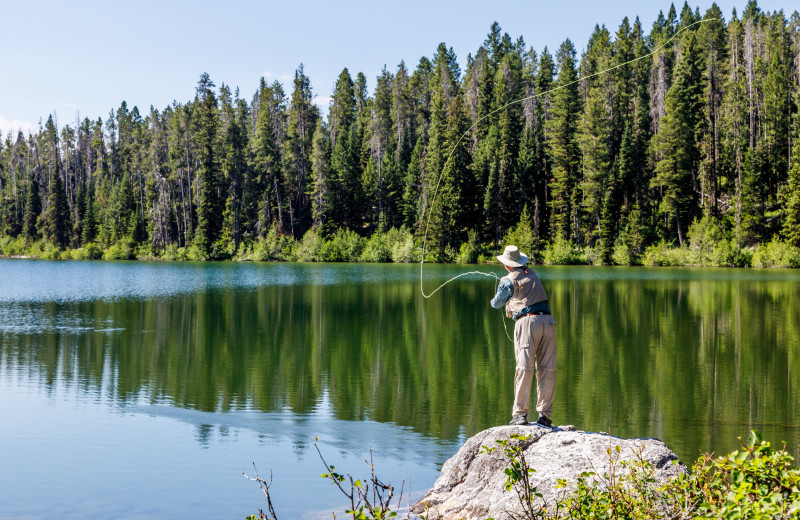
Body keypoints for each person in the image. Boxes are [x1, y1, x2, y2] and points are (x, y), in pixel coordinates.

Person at [490, 245, 556, 427]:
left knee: (524, 368)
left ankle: (520, 415)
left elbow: (497, 304)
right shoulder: (532, 274)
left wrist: (493, 299)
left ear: (507, 265)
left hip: (528, 324)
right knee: (547, 369)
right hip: (549, 323)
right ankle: (545, 416)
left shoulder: (508, 279)